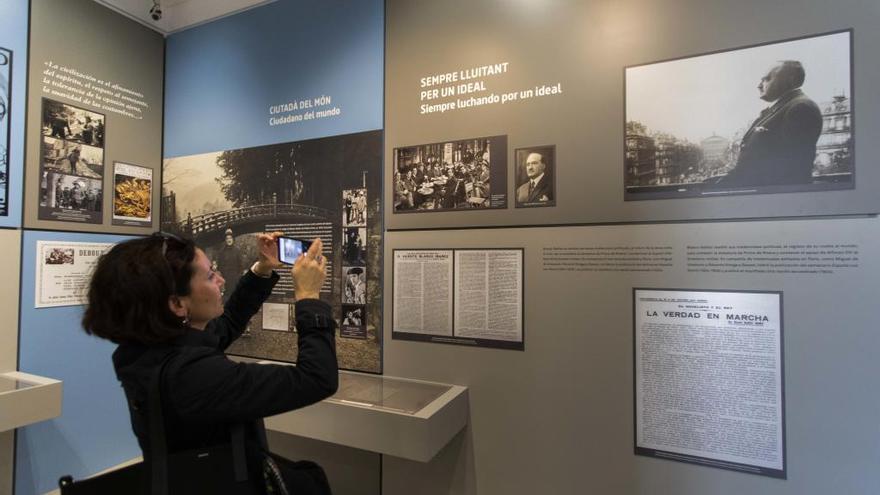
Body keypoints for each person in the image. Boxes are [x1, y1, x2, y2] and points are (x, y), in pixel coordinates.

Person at [81, 232, 337, 493]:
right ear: (177, 304)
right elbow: (316, 378)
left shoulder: (145, 350)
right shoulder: (191, 375)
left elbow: (224, 327)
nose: (221, 279)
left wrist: (262, 270)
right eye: (210, 276)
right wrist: (308, 296)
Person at [716, 60, 823, 188]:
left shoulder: (800, 108)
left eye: (766, 79)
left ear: (791, 79)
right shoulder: (785, 107)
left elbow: (790, 168)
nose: (759, 85)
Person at [216, 227, 244, 301]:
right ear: (225, 240)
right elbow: (219, 266)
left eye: (230, 238)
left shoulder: (237, 251)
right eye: (227, 238)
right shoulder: (221, 252)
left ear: (233, 240)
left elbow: (241, 267)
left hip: (234, 280)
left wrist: (237, 278)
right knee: (225, 300)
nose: (229, 240)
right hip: (224, 280)